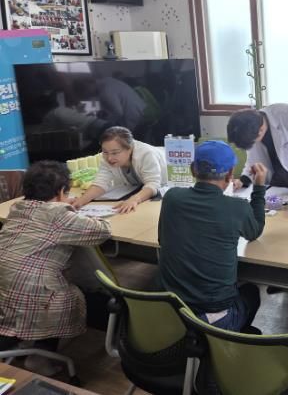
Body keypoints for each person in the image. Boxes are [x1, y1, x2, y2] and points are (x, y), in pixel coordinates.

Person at [0, 161, 110, 375]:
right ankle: (40, 357)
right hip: (33, 292)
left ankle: (22, 339)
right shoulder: (59, 215)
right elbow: (102, 231)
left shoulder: (18, 209)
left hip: (4, 285)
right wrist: (71, 211)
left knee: (32, 288)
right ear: (61, 192)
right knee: (64, 293)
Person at [158, 141, 266, 332]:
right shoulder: (237, 208)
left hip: (172, 309)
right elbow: (254, 231)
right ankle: (225, 339)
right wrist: (259, 188)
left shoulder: (172, 198)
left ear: (193, 169)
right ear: (230, 174)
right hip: (213, 315)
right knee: (251, 293)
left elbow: (162, 240)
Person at [227, 104, 288, 190]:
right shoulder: (248, 129)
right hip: (275, 184)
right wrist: (242, 180)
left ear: (260, 131)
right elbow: (252, 161)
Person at [72, 126, 167, 214]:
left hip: (169, 178)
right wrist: (80, 201)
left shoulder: (146, 154)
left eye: (115, 153)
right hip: (136, 188)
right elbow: (100, 184)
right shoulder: (106, 157)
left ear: (129, 148)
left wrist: (134, 200)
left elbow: (153, 184)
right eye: (105, 152)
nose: (109, 158)